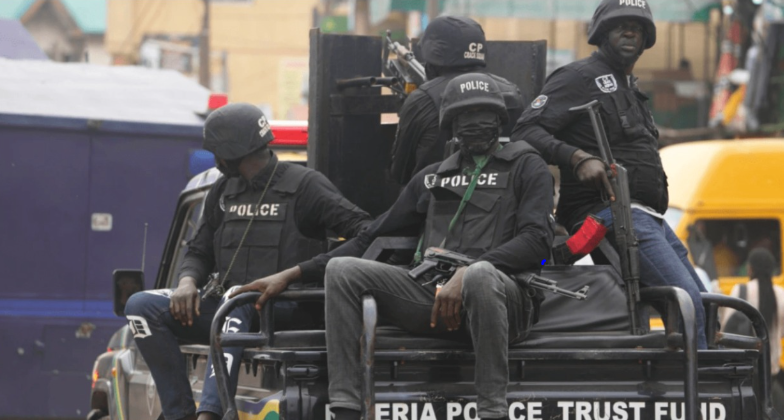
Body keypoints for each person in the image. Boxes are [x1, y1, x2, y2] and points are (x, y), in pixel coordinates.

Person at [236, 73, 554, 420]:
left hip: (505, 304)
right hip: (436, 301)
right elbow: (369, 237)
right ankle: (345, 408)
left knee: (480, 275)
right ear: (451, 125)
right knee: (342, 271)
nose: (476, 123)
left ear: (499, 120)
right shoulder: (433, 177)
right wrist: (293, 274)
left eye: (484, 114)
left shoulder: (527, 165)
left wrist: (471, 271)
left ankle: (493, 412)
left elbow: (537, 241)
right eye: (465, 116)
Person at [124, 103, 372, 420]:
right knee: (140, 306)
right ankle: (180, 413)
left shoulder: (305, 185)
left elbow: (365, 232)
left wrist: (299, 272)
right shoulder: (223, 190)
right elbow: (199, 251)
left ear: (230, 150)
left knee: (238, 298)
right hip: (233, 306)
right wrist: (186, 282)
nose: (215, 159)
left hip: (286, 309)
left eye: (217, 151)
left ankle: (211, 414)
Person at [511, 0, 710, 348]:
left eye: (638, 26)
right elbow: (525, 130)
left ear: (647, 36)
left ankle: (693, 387)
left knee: (706, 306)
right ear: (602, 33)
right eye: (620, 25)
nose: (630, 31)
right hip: (608, 212)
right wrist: (576, 157)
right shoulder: (577, 77)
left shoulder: (630, 88)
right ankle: (698, 394)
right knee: (687, 302)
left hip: (647, 217)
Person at [389, 15, 524, 185]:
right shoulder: (511, 91)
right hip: (504, 205)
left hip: (436, 206)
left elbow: (400, 171)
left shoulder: (422, 99)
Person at [721, 248, 784, 415]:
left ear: (750, 268)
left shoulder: (740, 290)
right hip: (770, 368)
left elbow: (726, 330)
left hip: (745, 367)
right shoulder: (781, 294)